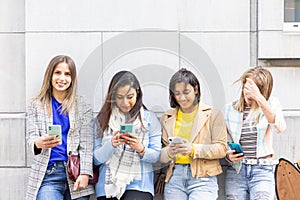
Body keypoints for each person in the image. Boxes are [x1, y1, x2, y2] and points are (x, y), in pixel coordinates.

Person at [26, 55, 94, 200]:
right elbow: (31, 138)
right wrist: (39, 143)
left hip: (75, 173)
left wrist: (85, 173)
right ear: (50, 75)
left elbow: (87, 144)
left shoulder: (82, 105)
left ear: (72, 78)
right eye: (58, 72)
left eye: (67, 74)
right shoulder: (36, 105)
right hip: (48, 174)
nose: (62, 78)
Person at [159, 68, 227, 200]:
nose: (182, 98)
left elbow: (221, 148)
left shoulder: (213, 114)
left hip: (203, 178)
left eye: (186, 92)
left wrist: (193, 149)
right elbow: (159, 155)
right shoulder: (166, 117)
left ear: (195, 89)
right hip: (175, 177)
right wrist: (169, 152)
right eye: (177, 93)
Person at [93, 71, 162, 200]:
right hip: (108, 186)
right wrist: (111, 144)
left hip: (139, 185)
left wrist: (141, 148)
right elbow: (96, 159)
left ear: (137, 93)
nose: (125, 102)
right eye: (120, 97)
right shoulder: (101, 120)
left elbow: (156, 156)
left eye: (130, 97)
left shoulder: (149, 119)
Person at [224, 66, 287, 200]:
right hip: (237, 171)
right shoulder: (230, 109)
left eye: (254, 90)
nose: (249, 94)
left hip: (262, 170)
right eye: (247, 88)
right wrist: (228, 155)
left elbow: (279, 127)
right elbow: (222, 142)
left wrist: (259, 98)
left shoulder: (271, 104)